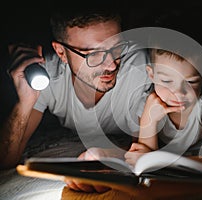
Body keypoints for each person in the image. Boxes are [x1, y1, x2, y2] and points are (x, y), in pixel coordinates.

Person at [0, 6, 151, 192]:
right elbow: (5, 159)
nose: (111, 65)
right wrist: (24, 103)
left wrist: (113, 156)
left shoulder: (136, 66)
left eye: (117, 47)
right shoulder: (48, 73)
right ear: (61, 52)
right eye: (93, 54)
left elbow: (146, 152)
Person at [124, 47, 202, 170]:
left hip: (198, 161)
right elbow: (145, 162)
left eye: (191, 82)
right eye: (166, 81)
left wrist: (162, 161)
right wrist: (148, 122)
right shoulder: (146, 103)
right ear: (151, 74)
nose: (179, 93)